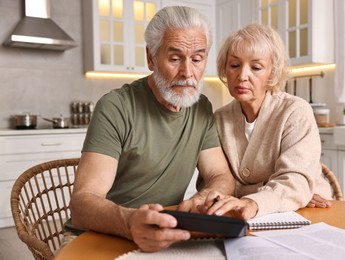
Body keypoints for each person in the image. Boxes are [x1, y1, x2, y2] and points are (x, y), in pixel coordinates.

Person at [66, 6, 235, 252]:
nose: (188, 73)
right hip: (101, 233)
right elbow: (82, 204)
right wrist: (129, 222)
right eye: (175, 58)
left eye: (197, 59)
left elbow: (221, 175)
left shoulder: (201, 108)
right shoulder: (116, 107)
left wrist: (204, 197)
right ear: (151, 58)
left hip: (165, 232)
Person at [203, 24, 333, 220]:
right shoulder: (218, 119)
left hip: (308, 212)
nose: (242, 76)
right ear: (224, 69)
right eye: (234, 65)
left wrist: (251, 196)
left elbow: (295, 181)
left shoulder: (295, 112)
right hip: (247, 216)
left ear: (272, 73)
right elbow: (210, 185)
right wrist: (283, 193)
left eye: (256, 67)